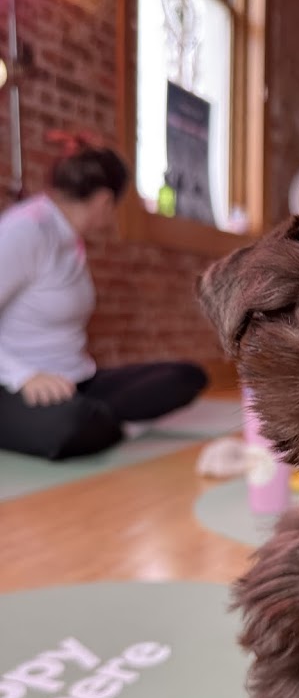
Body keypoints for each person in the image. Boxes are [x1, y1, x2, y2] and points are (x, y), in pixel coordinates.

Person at [0, 135, 208, 460]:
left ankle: (95, 417)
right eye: (114, 208)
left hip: (77, 381)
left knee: (185, 376)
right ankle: (90, 419)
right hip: (16, 385)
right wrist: (24, 375)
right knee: (72, 426)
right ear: (103, 201)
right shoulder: (26, 230)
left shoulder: (71, 238)